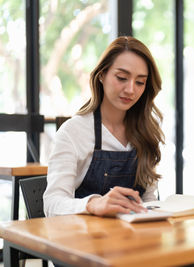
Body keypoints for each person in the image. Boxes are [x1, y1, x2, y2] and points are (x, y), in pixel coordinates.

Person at [43, 36, 164, 217]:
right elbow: (52, 204)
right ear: (101, 75)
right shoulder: (73, 132)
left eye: (140, 82)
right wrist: (93, 204)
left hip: (134, 240)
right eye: (122, 77)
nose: (131, 89)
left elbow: (149, 199)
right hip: (82, 241)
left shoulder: (146, 132)